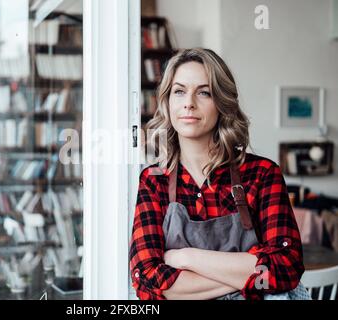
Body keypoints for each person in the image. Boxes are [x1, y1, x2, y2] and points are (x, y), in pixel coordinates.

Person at [129, 48, 305, 300]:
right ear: (167, 102)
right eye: (179, 91)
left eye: (204, 92)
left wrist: (186, 258)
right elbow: (147, 280)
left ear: (222, 103)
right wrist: (243, 274)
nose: (189, 102)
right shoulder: (154, 180)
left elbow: (286, 267)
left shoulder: (262, 174)